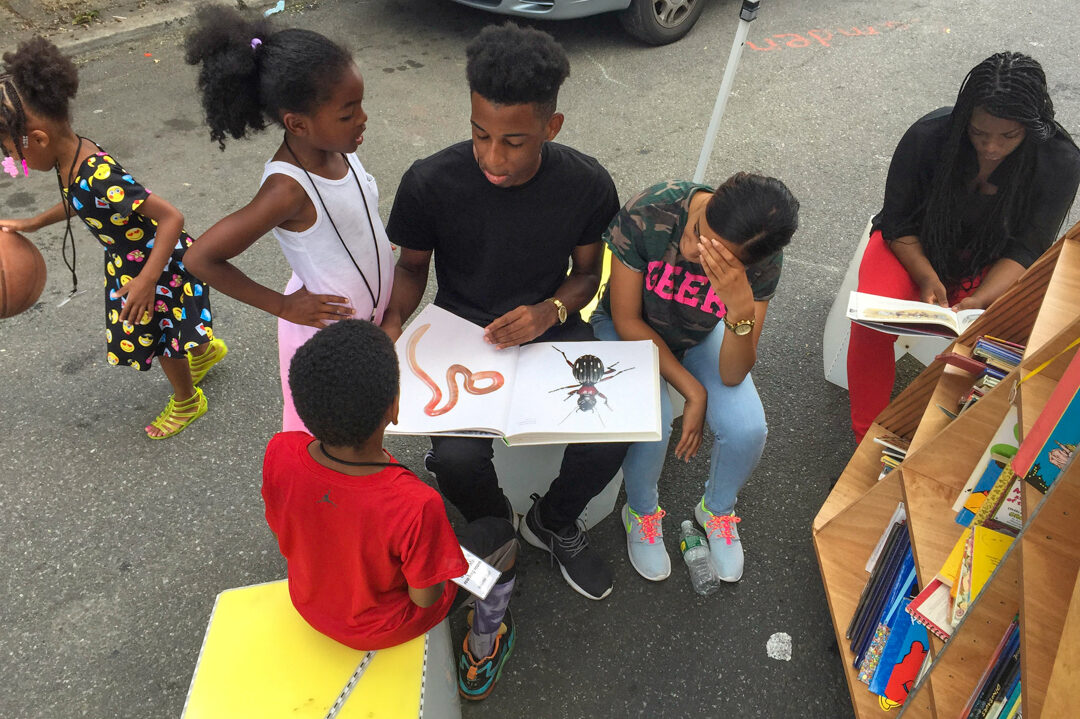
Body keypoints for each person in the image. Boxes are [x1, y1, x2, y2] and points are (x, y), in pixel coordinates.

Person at [381, 23, 626, 601]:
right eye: (479, 134)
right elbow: (413, 268)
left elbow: (588, 273)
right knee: (455, 456)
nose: (493, 156)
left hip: (550, 325)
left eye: (514, 141)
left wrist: (548, 310)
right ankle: (496, 530)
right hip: (460, 330)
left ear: (551, 126)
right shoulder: (428, 181)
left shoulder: (587, 183)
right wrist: (391, 327)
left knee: (613, 430)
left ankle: (554, 520)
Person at [263, 320, 519, 701]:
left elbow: (285, 527)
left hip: (310, 602)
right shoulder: (416, 504)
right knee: (502, 537)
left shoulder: (281, 451)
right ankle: (482, 650)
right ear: (395, 407)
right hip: (387, 625)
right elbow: (425, 599)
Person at [0, 37, 226, 439]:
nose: (12, 163)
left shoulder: (97, 173)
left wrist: (146, 280)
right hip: (135, 261)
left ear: (37, 139)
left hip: (157, 263)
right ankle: (206, 351)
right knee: (173, 327)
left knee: (159, 337)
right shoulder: (74, 159)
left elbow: (172, 217)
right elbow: (81, 202)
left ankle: (188, 400)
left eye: (10, 153)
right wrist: (34, 222)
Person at [848, 52, 1080, 443]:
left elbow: (1028, 248)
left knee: (1008, 343)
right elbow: (897, 221)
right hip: (912, 248)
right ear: (963, 121)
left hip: (995, 264)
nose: (991, 147)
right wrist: (924, 275)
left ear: (1032, 126)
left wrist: (985, 298)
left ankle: (955, 442)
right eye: (978, 133)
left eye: (1008, 136)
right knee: (871, 323)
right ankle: (866, 438)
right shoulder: (928, 136)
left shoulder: (1059, 161)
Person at [182, 6, 393, 433]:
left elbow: (351, 212)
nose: (362, 118)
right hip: (326, 345)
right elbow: (200, 258)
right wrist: (282, 306)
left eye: (361, 105)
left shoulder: (339, 148)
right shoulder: (287, 189)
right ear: (298, 123)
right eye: (348, 112)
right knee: (330, 442)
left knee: (364, 430)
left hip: (367, 328)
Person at [590, 174, 799, 583]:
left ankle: (716, 511)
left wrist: (740, 312)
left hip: (699, 334)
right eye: (698, 231)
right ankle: (641, 512)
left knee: (747, 429)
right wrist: (693, 391)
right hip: (628, 328)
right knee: (655, 420)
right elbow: (626, 318)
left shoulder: (763, 264)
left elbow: (734, 371)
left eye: (714, 257)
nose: (690, 249)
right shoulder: (652, 209)